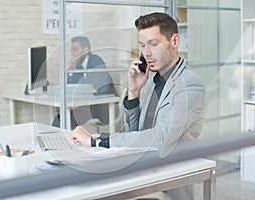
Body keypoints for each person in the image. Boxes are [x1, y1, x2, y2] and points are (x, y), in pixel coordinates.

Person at [69, 12, 206, 200]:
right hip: (140, 172)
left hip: (166, 185)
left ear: (174, 41)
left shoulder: (190, 85)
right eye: (142, 45)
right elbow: (136, 132)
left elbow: (160, 139)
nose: (147, 53)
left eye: (153, 44)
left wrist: (97, 141)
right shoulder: (152, 81)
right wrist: (133, 92)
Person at [52, 36, 116, 128]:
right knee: (61, 118)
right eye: (71, 50)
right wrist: (72, 69)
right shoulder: (79, 65)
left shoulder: (96, 61)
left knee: (65, 119)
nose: (72, 53)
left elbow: (98, 89)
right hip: (89, 104)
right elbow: (71, 87)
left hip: (103, 107)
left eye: (75, 49)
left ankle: (63, 140)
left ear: (86, 49)